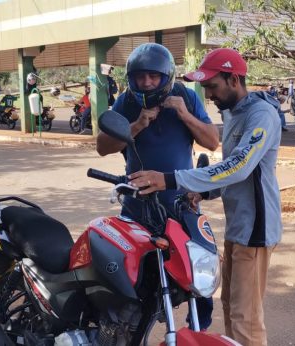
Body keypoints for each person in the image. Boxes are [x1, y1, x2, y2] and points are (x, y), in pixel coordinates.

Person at [127, 48, 282, 346]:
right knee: (232, 311)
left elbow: (239, 166)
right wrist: (203, 190)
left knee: (245, 319)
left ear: (234, 79)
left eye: (213, 86)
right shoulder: (235, 113)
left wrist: (171, 179)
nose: (209, 95)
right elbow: (231, 173)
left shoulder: (261, 114)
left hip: (256, 231)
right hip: (240, 228)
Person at [95, 43, 220, 331]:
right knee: (134, 282)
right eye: (141, 77)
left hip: (182, 206)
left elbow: (212, 142)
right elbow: (102, 146)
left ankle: (195, 331)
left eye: (153, 76)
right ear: (132, 78)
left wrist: (185, 116)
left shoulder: (186, 97)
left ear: (166, 77)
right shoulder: (126, 103)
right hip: (137, 208)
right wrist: (137, 125)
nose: (147, 82)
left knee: (197, 276)